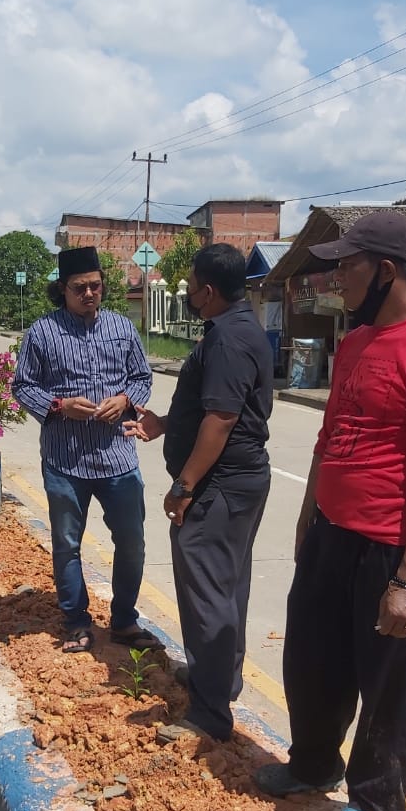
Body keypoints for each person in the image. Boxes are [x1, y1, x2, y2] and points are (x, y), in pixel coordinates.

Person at [252, 210, 406, 811]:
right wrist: (306, 519)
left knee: (387, 685)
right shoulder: (356, 341)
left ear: (384, 271)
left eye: (345, 265)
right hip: (331, 535)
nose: (334, 277)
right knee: (312, 663)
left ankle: (376, 806)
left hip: (390, 551)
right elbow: (331, 438)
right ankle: (314, 763)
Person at [124, 243, 273, 745]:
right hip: (237, 481)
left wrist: (184, 485)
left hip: (219, 486)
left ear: (208, 291)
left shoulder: (229, 340)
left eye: (190, 283)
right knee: (227, 586)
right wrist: (166, 424)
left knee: (208, 593)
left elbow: (224, 418)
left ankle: (210, 715)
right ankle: (220, 679)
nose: (186, 289)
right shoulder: (234, 330)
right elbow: (219, 407)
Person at [12, 246, 156, 655]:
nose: (90, 294)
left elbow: (142, 377)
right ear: (63, 289)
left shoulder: (122, 328)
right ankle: (76, 620)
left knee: (132, 542)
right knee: (67, 544)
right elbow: (23, 385)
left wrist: (126, 398)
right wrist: (59, 406)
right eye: (80, 288)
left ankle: (125, 620)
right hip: (65, 461)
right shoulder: (42, 333)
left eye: (96, 286)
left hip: (117, 459)